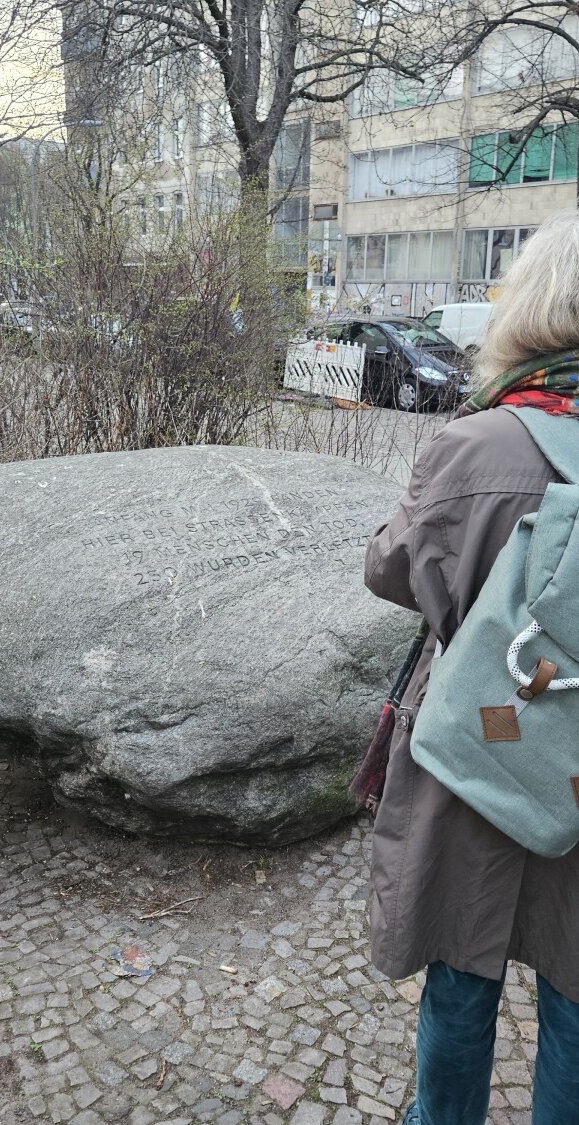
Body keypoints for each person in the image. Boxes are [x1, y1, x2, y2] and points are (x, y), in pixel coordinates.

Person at [364, 212, 579, 1125]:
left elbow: (391, 568)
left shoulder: (480, 443)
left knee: (463, 967)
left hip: (481, 743)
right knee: (576, 994)